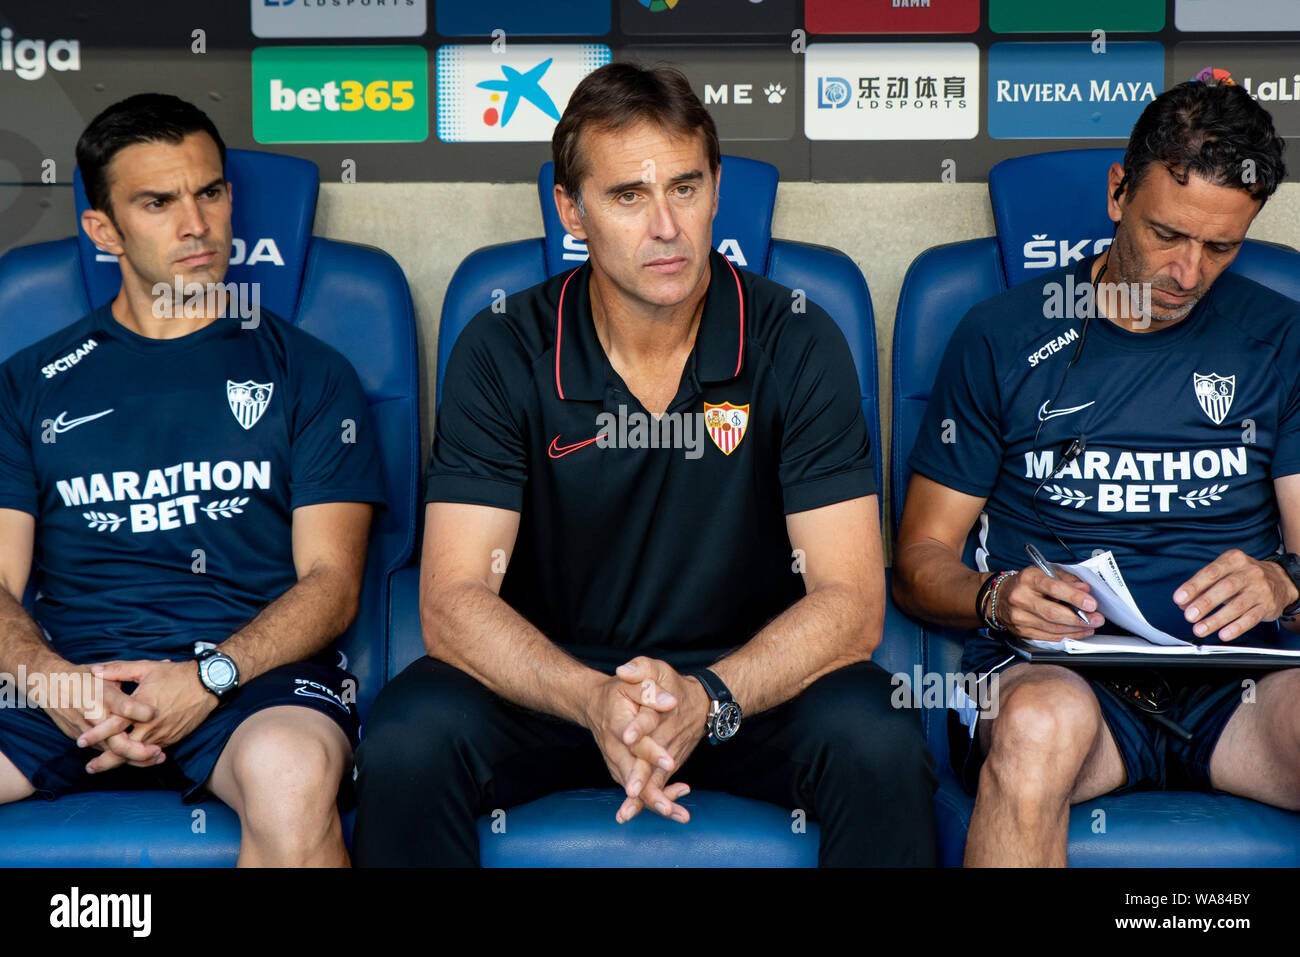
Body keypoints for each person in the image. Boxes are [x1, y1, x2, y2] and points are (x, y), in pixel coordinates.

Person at [353, 63, 936, 867]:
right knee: (407, 737)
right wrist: (593, 699)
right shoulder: (505, 345)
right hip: (553, 686)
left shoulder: (797, 338)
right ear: (572, 209)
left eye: (686, 189)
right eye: (629, 195)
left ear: (717, 189)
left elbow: (852, 601)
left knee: (880, 739)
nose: (666, 226)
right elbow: (453, 600)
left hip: (745, 692)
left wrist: (708, 697)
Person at [893, 74, 1300, 867]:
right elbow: (915, 564)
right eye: (1167, 235)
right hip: (1056, 682)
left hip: (1241, 690)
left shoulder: (1280, 337)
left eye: (1221, 247)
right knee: (1040, 727)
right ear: (1118, 193)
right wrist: (995, 596)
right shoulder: (1002, 337)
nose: (1188, 273)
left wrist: (1284, 582)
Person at [0, 94, 386, 866]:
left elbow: (333, 582)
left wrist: (209, 675)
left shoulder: (309, 373)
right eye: (158, 202)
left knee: (291, 772)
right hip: (70, 685)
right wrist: (49, 679)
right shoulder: (29, 384)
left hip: (250, 682)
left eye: (209, 192)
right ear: (102, 229)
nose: (195, 224)